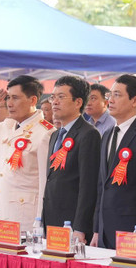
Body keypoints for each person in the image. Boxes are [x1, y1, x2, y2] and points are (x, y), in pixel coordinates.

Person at [0, 75, 54, 227]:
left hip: (23, 216)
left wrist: (40, 220)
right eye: (8, 98)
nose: (9, 103)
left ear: (33, 100)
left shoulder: (45, 133)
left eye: (15, 98)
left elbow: (45, 183)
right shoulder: (6, 126)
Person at [91, 74, 136, 248]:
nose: (110, 100)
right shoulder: (107, 134)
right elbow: (102, 185)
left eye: (117, 95)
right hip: (105, 230)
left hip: (131, 229)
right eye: (109, 95)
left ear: (135, 100)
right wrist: (97, 229)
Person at [42, 76, 100, 242]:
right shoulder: (55, 135)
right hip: (51, 219)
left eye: (61, 97)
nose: (55, 102)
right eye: (53, 97)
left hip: (72, 224)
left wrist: (80, 227)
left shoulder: (88, 134)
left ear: (78, 102)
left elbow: (88, 187)